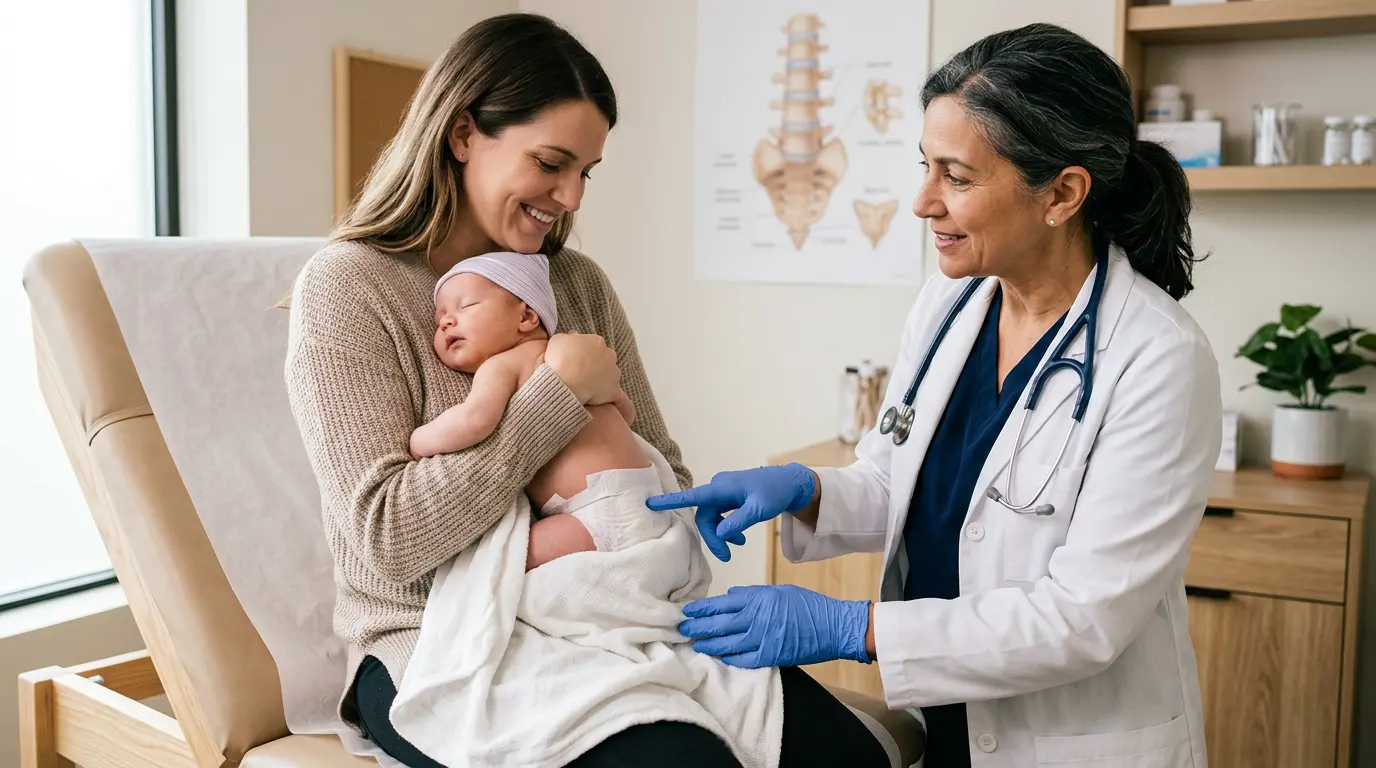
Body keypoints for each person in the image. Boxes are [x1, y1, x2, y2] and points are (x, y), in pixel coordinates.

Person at [285, 12, 889, 767]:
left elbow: (658, 465)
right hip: (438, 642)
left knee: (845, 756)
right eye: (550, 163)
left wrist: (678, 535)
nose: (570, 197)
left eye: (585, 172)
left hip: (620, 616)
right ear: (465, 133)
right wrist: (554, 397)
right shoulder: (350, 289)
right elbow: (389, 542)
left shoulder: (575, 283)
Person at [648, 22, 1222, 768]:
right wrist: (803, 491)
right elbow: (900, 484)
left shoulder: (1158, 358)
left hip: (1072, 743)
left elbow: (1083, 619)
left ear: (1063, 194)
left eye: (956, 176)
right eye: (926, 166)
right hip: (947, 725)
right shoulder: (950, 306)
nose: (923, 202)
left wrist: (856, 628)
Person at [412, 250, 659, 569]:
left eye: (467, 306)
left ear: (526, 317)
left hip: (595, 513)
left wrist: (420, 440)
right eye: (438, 319)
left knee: (500, 567)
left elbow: (475, 420)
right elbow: (625, 414)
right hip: (645, 501)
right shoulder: (573, 355)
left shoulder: (503, 365)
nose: (446, 321)